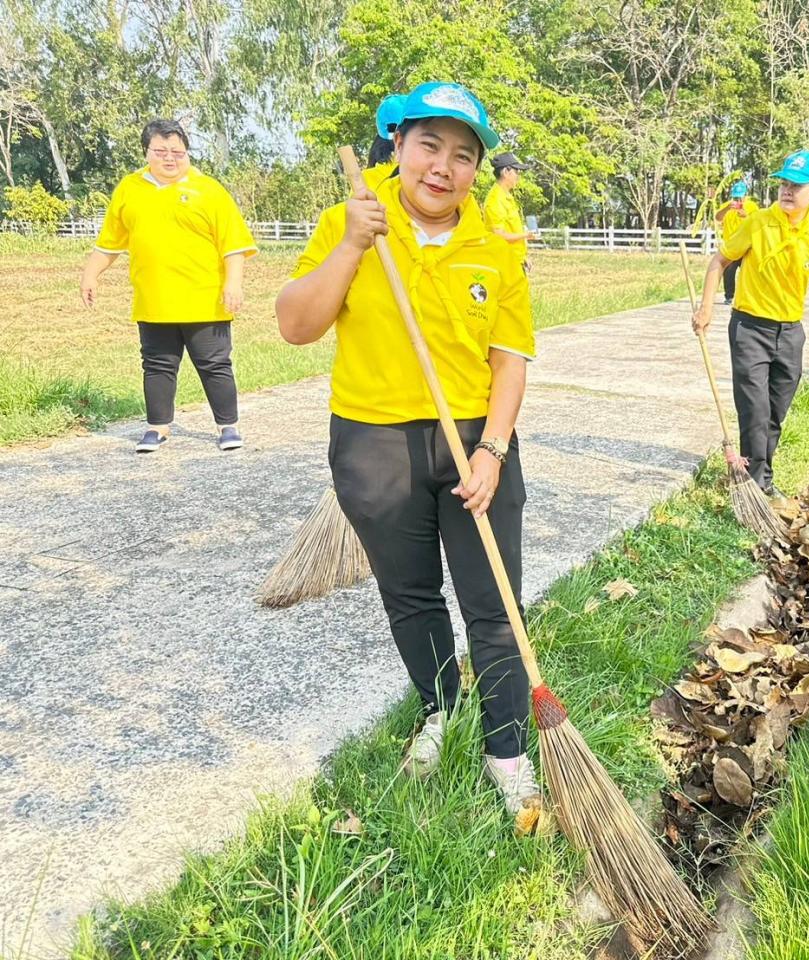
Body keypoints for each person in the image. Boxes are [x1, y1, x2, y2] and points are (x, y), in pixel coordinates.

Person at [275, 82, 540, 817]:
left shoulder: (492, 244)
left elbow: (510, 358)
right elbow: (295, 325)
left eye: (463, 155)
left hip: (472, 441)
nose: (443, 167)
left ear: (476, 168)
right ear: (400, 146)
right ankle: (439, 709)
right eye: (429, 146)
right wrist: (355, 246)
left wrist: (493, 448)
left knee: (494, 602)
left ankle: (507, 747)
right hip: (373, 440)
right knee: (412, 593)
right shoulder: (349, 218)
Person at [80, 118, 257, 453]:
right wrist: (91, 274)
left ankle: (228, 427)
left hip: (205, 300)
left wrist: (234, 284)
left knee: (215, 364)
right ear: (147, 152)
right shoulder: (130, 189)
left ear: (187, 152)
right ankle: (157, 428)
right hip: (154, 300)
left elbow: (233, 243)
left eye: (177, 151)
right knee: (157, 365)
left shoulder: (209, 190)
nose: (170, 158)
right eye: (160, 151)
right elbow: (110, 243)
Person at [692, 150, 809, 496]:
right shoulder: (758, 223)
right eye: (784, 183)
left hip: (790, 333)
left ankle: (760, 470)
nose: (787, 191)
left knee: (775, 413)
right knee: (754, 410)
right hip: (750, 329)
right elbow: (719, 261)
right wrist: (707, 307)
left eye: (797, 186)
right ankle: (757, 485)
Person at [483, 151, 538, 272]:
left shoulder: (506, 196)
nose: (518, 176)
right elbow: (499, 235)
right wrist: (526, 235)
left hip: (515, 261)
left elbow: (512, 229)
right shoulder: (495, 200)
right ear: (506, 172)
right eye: (516, 171)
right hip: (503, 264)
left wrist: (523, 257)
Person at [714, 181, 759, 303]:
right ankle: (729, 296)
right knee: (728, 271)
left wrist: (746, 215)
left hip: (747, 246)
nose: (738, 200)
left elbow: (758, 223)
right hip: (731, 246)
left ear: (746, 195)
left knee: (749, 272)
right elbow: (718, 218)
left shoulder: (752, 206)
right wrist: (727, 208)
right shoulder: (728, 205)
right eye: (735, 197)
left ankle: (749, 297)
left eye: (740, 197)